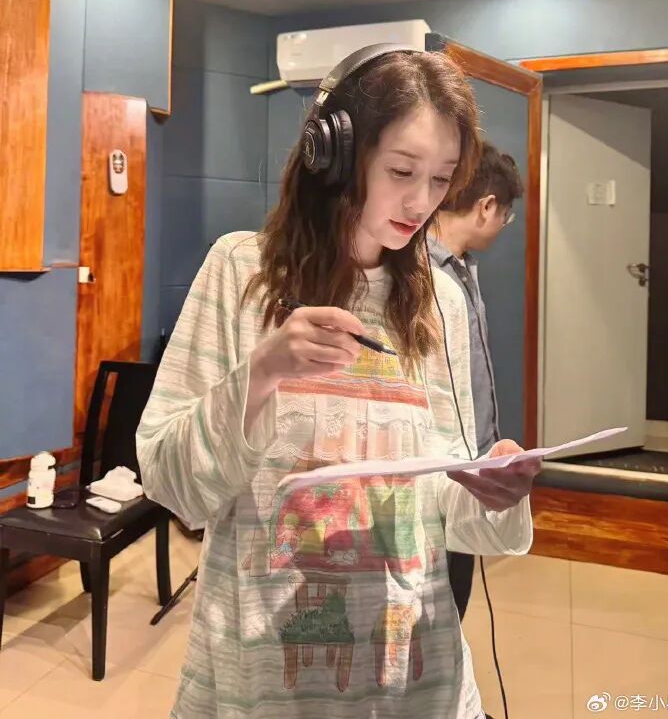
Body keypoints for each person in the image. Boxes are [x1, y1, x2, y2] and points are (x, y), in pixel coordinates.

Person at [136, 47, 540, 719]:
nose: (421, 202)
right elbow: (171, 482)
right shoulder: (239, 273)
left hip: (413, 676)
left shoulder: (439, 301)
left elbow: (442, 508)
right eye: (402, 171)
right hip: (263, 679)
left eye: (441, 180)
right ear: (335, 154)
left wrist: (493, 493)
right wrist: (263, 372)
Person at [428, 142, 525, 624]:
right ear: (487, 206)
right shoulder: (419, 274)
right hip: (439, 476)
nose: (504, 224)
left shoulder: (462, 268)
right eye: (506, 214)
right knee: (440, 603)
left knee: (456, 598)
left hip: (471, 468)